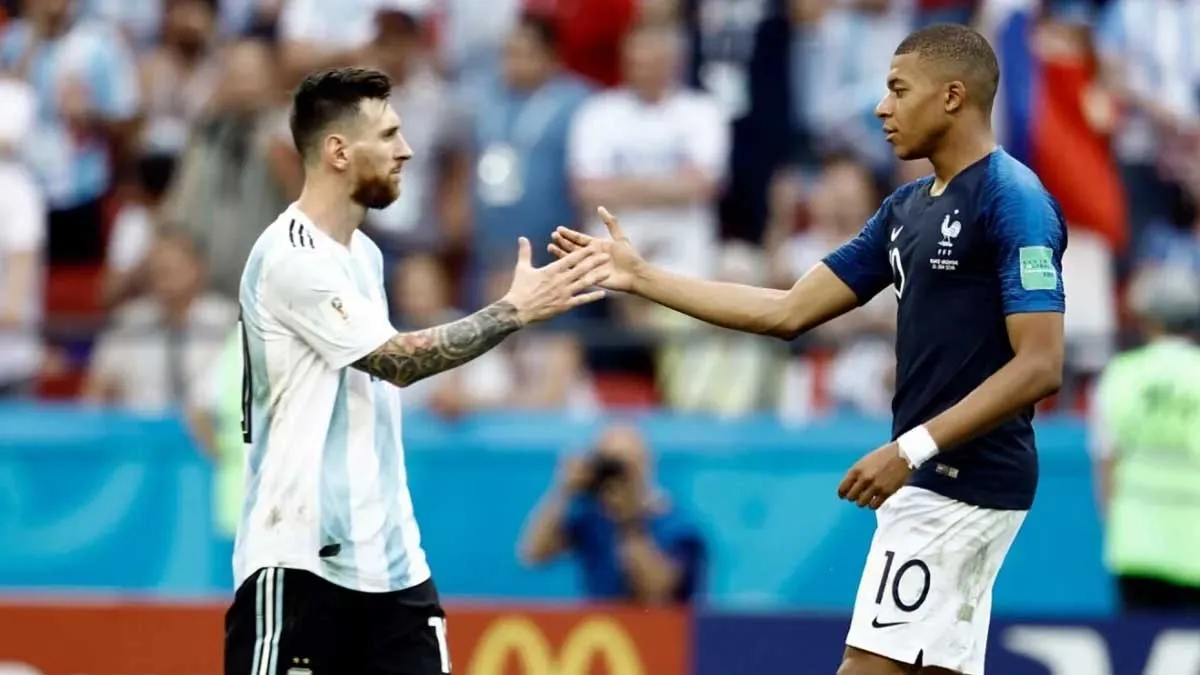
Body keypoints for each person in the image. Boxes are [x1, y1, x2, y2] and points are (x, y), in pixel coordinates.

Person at [551, 23, 1066, 675]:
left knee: (867, 668)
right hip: (934, 477)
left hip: (960, 481)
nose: (881, 107)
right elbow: (788, 309)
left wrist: (909, 449)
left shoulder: (1014, 200)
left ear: (952, 97)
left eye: (899, 89)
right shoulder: (906, 209)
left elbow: (1040, 364)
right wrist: (644, 277)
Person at [224, 67, 610, 675]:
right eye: (388, 135)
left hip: (393, 565)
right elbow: (397, 361)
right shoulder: (290, 257)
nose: (406, 150)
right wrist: (514, 310)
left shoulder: (365, 254)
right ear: (338, 151)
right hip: (301, 562)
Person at [1089, 265, 1200, 615]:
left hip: (1136, 542)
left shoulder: (1121, 374)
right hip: (1195, 543)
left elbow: (1106, 461)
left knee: (1140, 640)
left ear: (1148, 320)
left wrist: (1115, 523)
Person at [519, 423, 706, 604]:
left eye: (624, 468)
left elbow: (657, 593)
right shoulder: (592, 516)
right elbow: (533, 554)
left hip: (660, 625)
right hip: (602, 624)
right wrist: (563, 491)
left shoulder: (679, 526)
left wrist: (629, 522)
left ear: (648, 464)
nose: (615, 477)